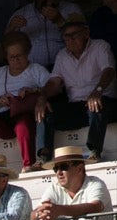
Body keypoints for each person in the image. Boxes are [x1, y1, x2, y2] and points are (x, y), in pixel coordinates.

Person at [39, 15, 116, 162]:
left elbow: (109, 70)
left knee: (96, 105)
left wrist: (98, 91)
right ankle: (43, 157)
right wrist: (42, 97)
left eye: (73, 35)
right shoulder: (62, 56)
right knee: (45, 111)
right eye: (66, 36)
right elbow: (54, 83)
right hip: (77, 106)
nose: (69, 39)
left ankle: (94, 152)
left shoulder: (100, 46)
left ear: (86, 33)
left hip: (103, 102)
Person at [0, 32, 49, 171]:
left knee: (23, 126)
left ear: (27, 53)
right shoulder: (0, 73)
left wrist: (32, 90)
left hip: (26, 114)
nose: (16, 60)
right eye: (12, 57)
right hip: (4, 115)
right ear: (6, 57)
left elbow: (52, 89)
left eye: (20, 56)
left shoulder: (36, 70)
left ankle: (28, 164)